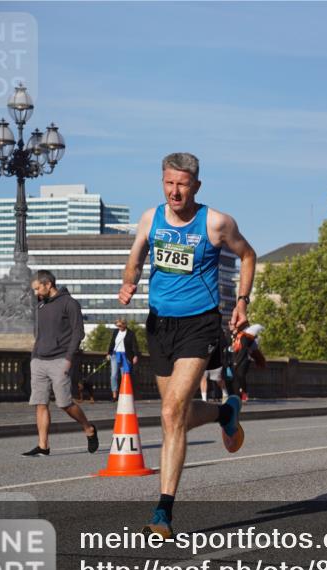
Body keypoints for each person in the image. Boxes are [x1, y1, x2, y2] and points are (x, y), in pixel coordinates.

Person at [119, 152, 256, 538]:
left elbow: (248, 255)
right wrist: (128, 281)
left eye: (181, 184)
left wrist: (242, 300)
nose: (174, 191)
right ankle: (222, 414)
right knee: (173, 417)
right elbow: (135, 258)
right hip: (160, 325)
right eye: (168, 183)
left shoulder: (215, 223)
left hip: (200, 324)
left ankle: (163, 511)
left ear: (195, 185)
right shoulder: (151, 218)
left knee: (169, 411)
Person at [22, 270, 99, 456]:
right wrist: (34, 356)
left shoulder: (69, 303)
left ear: (48, 284)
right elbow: (39, 334)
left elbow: (78, 332)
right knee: (40, 403)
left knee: (64, 403)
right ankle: (43, 445)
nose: (36, 293)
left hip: (60, 360)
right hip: (39, 360)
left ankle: (88, 428)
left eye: (38, 288)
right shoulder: (41, 306)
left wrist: (68, 358)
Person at [229, 322, 265, 401]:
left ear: (237, 327)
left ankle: (244, 394)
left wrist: (236, 362)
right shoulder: (231, 336)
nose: (230, 325)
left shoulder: (243, 336)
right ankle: (237, 395)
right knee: (235, 378)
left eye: (232, 324)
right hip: (234, 359)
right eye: (230, 324)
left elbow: (243, 350)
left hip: (243, 360)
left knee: (241, 376)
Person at [106, 319, 140, 401]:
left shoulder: (130, 333)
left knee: (124, 376)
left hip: (126, 356)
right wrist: (109, 353)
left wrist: (135, 355)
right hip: (115, 355)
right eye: (117, 325)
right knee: (113, 375)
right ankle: (114, 395)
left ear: (125, 324)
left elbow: (134, 345)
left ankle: (123, 394)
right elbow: (112, 343)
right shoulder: (115, 332)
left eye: (120, 325)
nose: (119, 327)